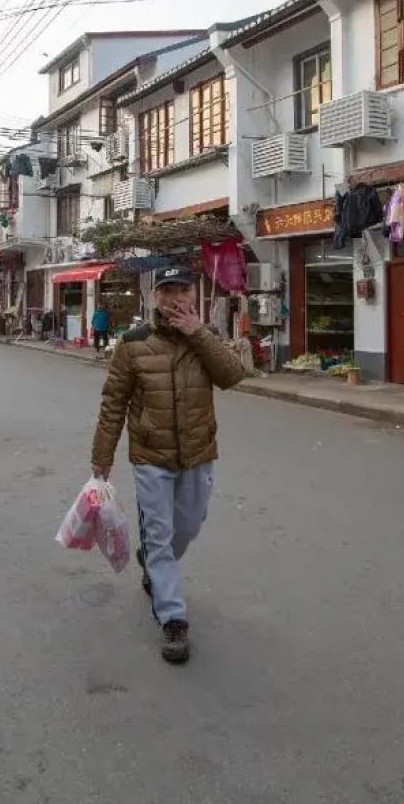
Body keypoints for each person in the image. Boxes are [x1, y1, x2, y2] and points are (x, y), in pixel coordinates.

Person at [91, 265, 245, 664]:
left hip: (198, 452)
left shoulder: (205, 336)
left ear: (193, 294)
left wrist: (198, 334)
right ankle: (173, 617)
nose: (175, 298)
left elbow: (232, 376)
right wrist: (102, 457)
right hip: (150, 456)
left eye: (182, 289)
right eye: (167, 290)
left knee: (188, 526)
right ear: (155, 296)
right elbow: (113, 403)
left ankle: (154, 566)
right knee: (159, 534)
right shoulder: (132, 343)